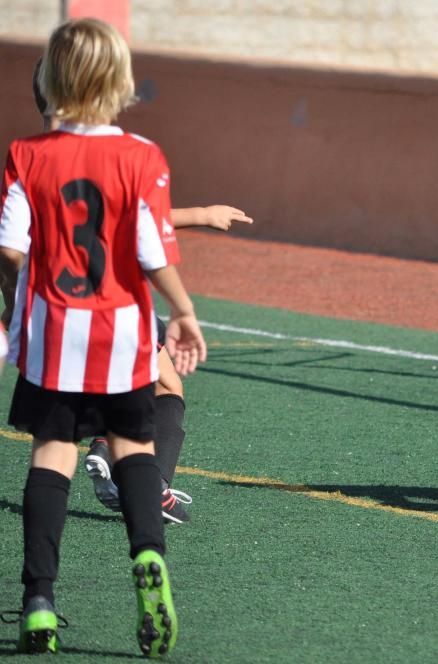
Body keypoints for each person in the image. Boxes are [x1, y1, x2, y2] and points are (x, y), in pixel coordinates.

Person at [0, 19, 206, 655]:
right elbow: (151, 251)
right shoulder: (141, 155)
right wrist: (184, 310)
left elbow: (10, 249)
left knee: (51, 453)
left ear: (50, 81)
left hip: (53, 333)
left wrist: (19, 304)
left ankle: (39, 598)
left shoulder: (25, 154)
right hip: (120, 334)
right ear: (120, 83)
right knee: (135, 448)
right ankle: (148, 555)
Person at [31, 55, 252, 523]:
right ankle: (151, 487)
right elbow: (142, 226)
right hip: (114, 296)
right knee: (166, 385)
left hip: (57, 301)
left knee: (79, 408)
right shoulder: (119, 150)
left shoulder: (32, 156)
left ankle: (41, 583)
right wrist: (185, 303)